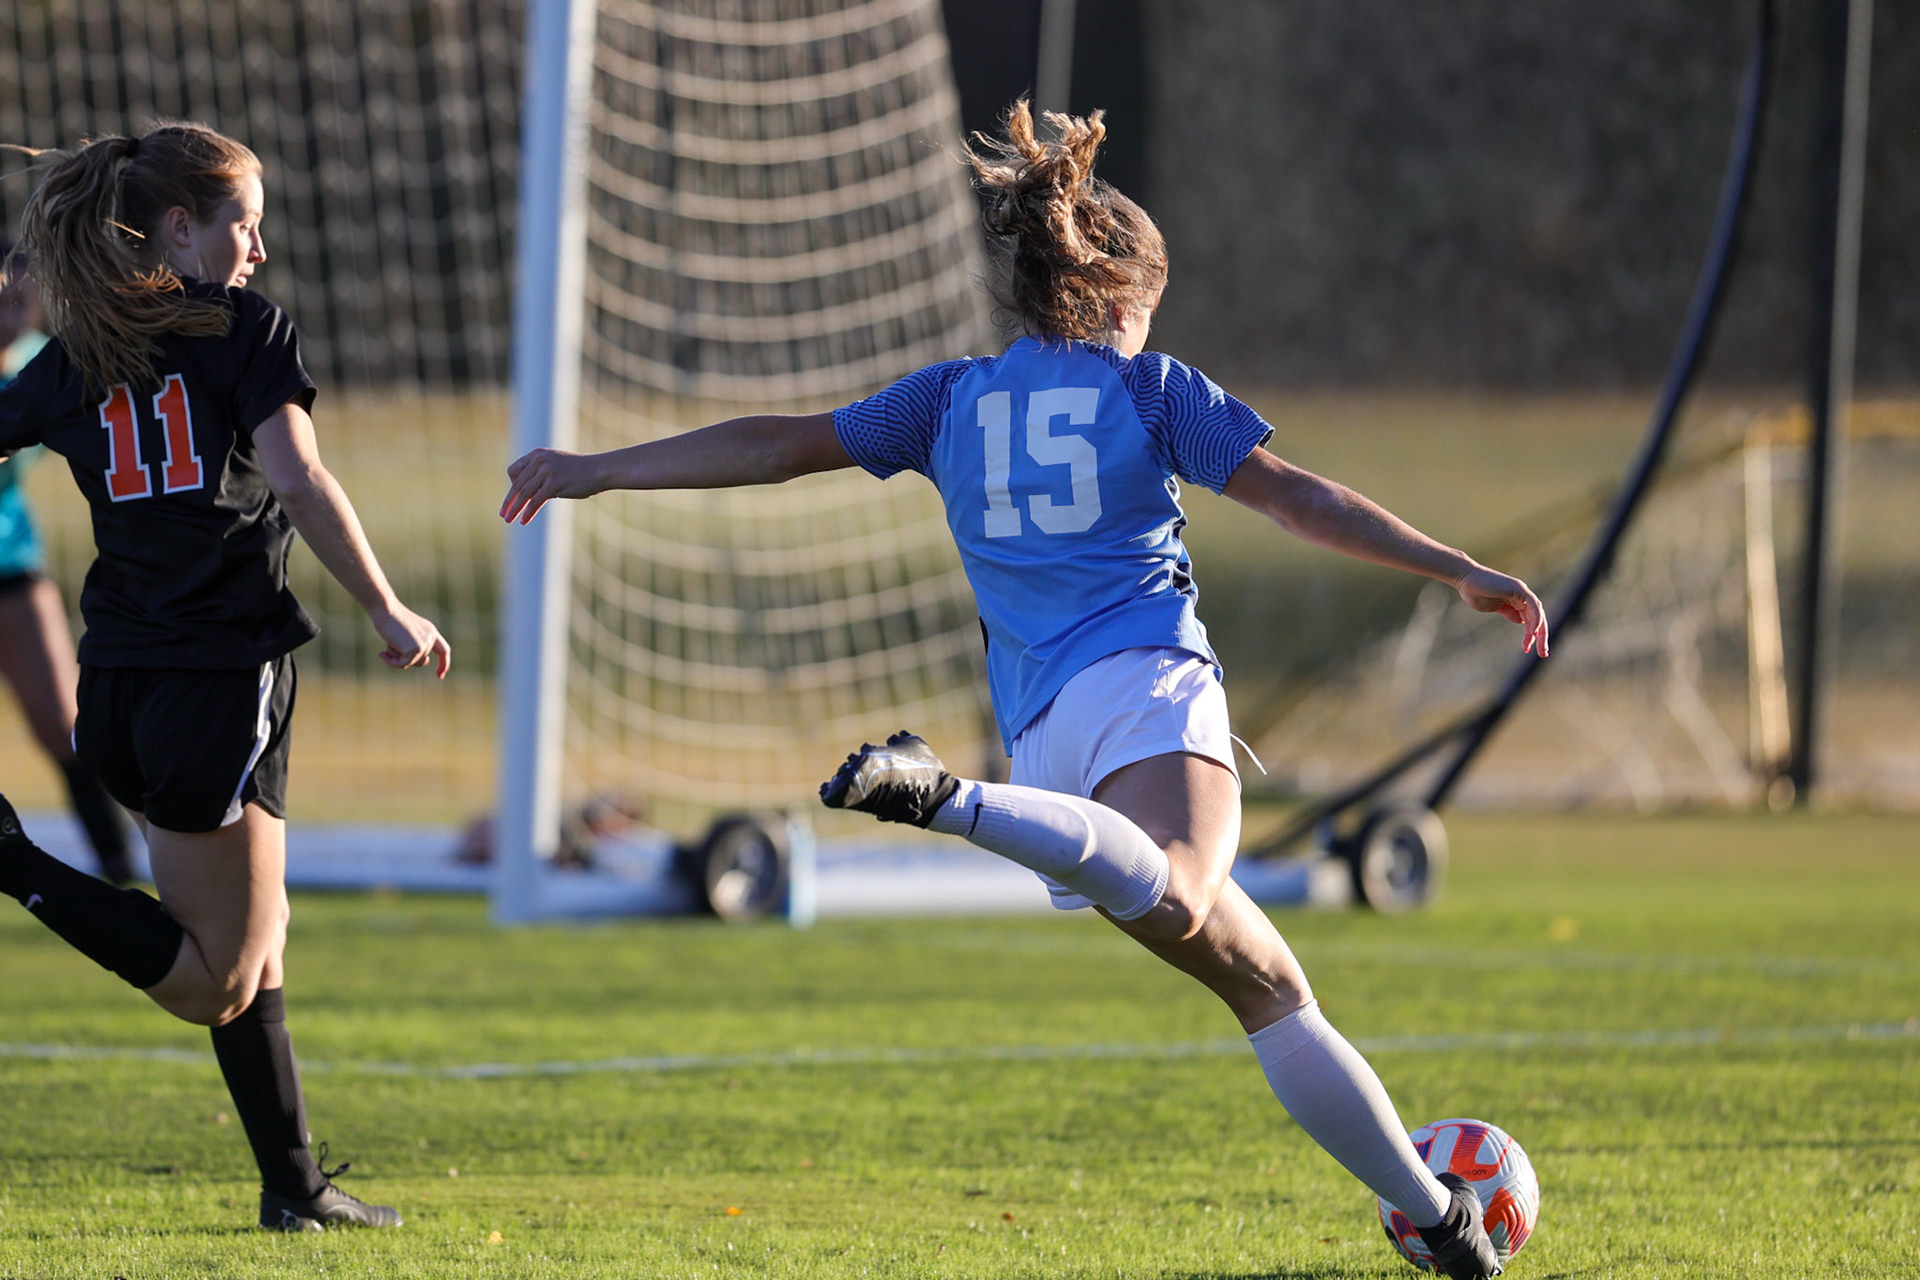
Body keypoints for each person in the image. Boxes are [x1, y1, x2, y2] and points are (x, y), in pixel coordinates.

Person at [499, 102, 1544, 1279]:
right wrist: (1453, 564)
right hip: (1145, 688)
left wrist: (595, 469)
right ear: (1111, 295)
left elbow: (772, 444)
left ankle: (1442, 1222)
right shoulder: (1152, 390)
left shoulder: (947, 400)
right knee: (1197, 888)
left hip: (1048, 740)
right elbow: (1301, 498)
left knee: (1268, 983)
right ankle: (945, 798)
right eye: (1150, 305)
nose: (1155, 324)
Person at [0, 122, 449, 1232]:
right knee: (215, 978)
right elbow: (296, 477)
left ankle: (296, 1187)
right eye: (242, 223)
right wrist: (388, 605)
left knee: (264, 931)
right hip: (212, 680)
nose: (257, 248)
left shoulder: (77, 352)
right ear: (179, 227)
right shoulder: (243, 329)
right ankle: (10, 856)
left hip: (124, 685)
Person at [0, 253, 135, 884]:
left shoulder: (39, 360)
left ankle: (119, 869)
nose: (16, 314)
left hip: (11, 562)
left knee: (64, 722)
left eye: (23, 304)